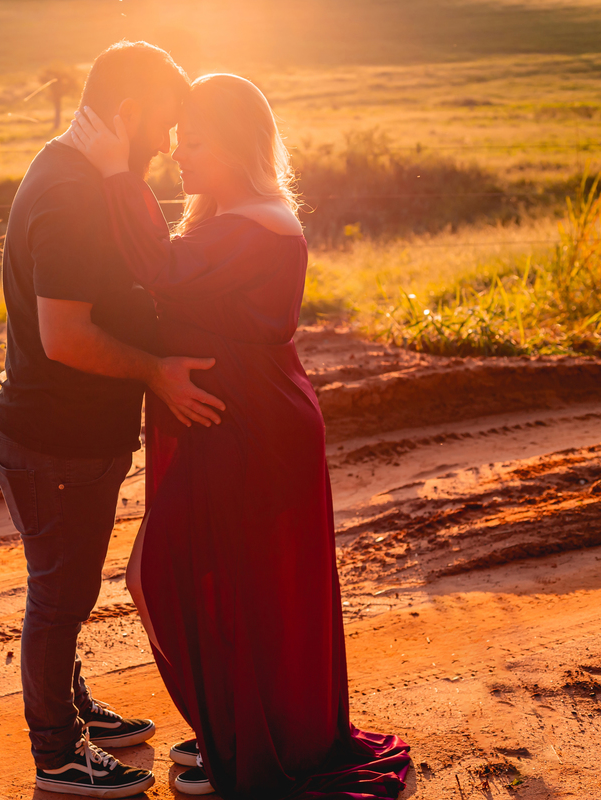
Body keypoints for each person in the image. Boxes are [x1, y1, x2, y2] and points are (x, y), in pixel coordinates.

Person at [68, 75, 412, 798]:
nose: (178, 155)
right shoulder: (227, 216)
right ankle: (233, 728)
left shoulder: (258, 223)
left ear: (236, 146)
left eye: (195, 143)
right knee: (203, 581)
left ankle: (253, 738)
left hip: (254, 429)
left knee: (192, 581)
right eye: (179, 140)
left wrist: (112, 173)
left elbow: (157, 267)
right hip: (227, 423)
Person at [0, 40, 227, 799]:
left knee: (64, 589)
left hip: (63, 439)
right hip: (54, 442)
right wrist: (156, 369)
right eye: (159, 126)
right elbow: (66, 336)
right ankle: (56, 756)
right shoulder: (71, 193)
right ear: (127, 113)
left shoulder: (82, 174)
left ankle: (70, 705)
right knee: (60, 599)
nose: (165, 143)